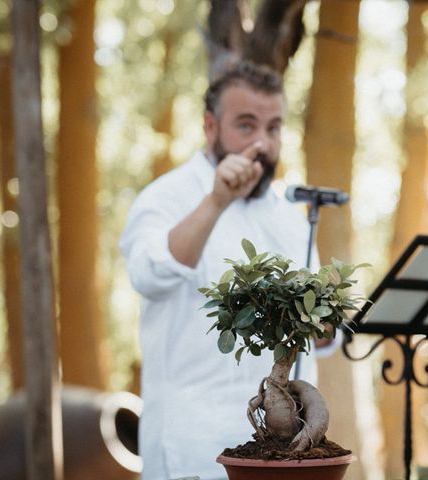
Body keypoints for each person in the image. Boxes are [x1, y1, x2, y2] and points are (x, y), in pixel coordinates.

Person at [120, 60, 336, 480]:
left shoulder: (290, 214)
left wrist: (326, 316)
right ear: (209, 126)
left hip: (288, 455)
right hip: (194, 449)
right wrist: (216, 201)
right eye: (246, 125)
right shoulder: (166, 197)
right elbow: (149, 274)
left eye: (273, 128)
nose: (262, 144)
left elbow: (322, 334)